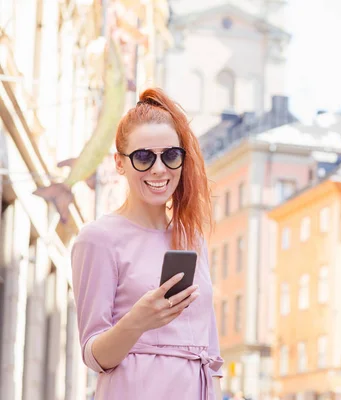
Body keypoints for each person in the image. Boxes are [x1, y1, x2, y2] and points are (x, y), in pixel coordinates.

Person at [71, 88, 223, 399]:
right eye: (143, 157)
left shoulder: (191, 237)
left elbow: (211, 353)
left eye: (170, 155)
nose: (158, 169)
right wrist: (138, 321)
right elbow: (94, 355)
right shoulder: (98, 239)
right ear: (119, 163)